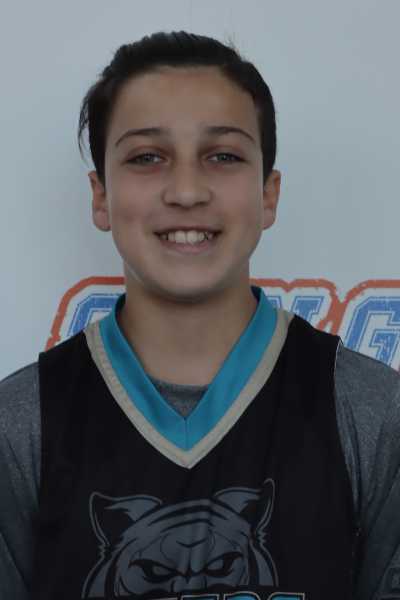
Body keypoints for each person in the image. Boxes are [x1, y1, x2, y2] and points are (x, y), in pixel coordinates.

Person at [1, 31, 400, 600]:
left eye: (223, 156)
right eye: (146, 157)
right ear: (100, 196)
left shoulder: (372, 412)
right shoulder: (20, 427)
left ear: (268, 194)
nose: (187, 190)